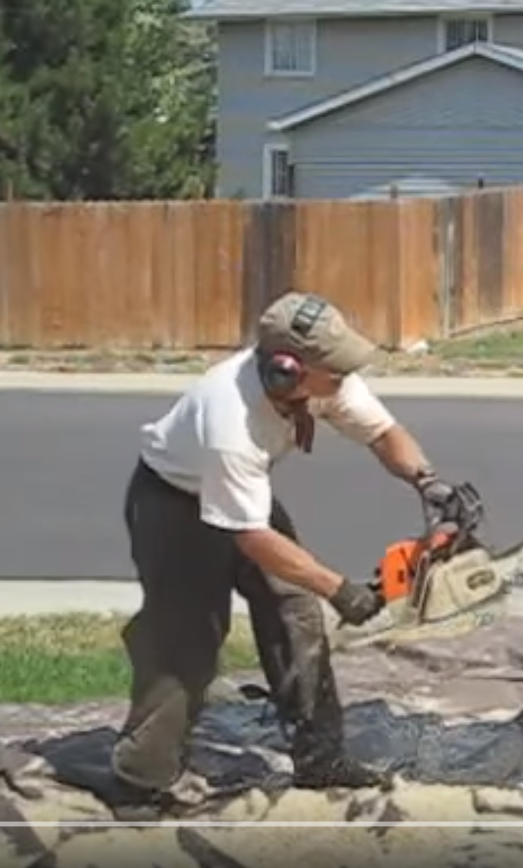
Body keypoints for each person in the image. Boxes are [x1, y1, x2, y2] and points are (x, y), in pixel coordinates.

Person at [106, 291, 472, 819]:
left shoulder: (323, 381)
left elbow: (383, 433)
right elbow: (252, 538)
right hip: (173, 505)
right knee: (188, 636)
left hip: (241, 502)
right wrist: (341, 591)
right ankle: (140, 777)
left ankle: (320, 756)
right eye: (335, 370)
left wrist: (428, 482)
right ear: (285, 370)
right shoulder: (232, 420)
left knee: (294, 610)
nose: (344, 379)